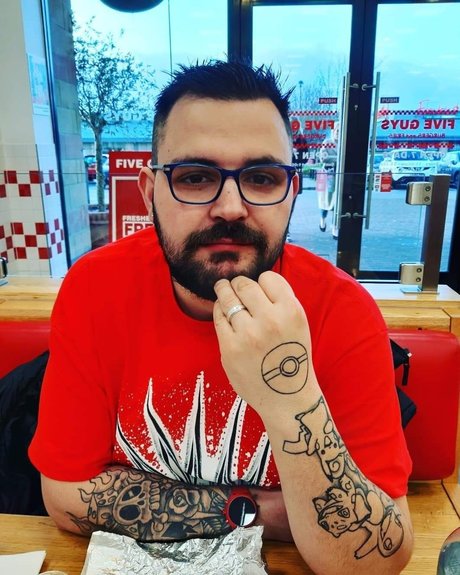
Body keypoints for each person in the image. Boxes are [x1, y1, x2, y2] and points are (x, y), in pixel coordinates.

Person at [29, 61, 413, 573]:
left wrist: (290, 394)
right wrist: (258, 511)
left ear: (291, 192)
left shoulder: (341, 309)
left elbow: (375, 560)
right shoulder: (95, 289)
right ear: (149, 192)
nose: (230, 207)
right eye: (195, 177)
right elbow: (64, 496)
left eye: (261, 178)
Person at [317, 121, 340, 238]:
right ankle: (322, 218)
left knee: (337, 202)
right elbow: (323, 157)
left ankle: (335, 226)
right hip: (328, 174)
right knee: (326, 200)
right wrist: (337, 160)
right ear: (333, 131)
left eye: (340, 131)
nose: (338, 133)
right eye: (337, 131)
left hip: (339, 175)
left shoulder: (344, 143)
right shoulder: (327, 142)